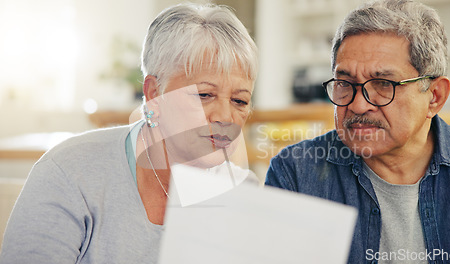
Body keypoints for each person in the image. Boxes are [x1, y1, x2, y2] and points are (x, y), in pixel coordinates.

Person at [0, 3, 258, 263]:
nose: (226, 117)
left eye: (240, 101)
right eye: (204, 95)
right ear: (154, 94)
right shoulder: (70, 172)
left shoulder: (242, 192)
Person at [266, 0, 450, 263]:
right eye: (344, 83)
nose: (357, 104)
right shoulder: (295, 174)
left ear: (434, 96)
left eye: (383, 84)